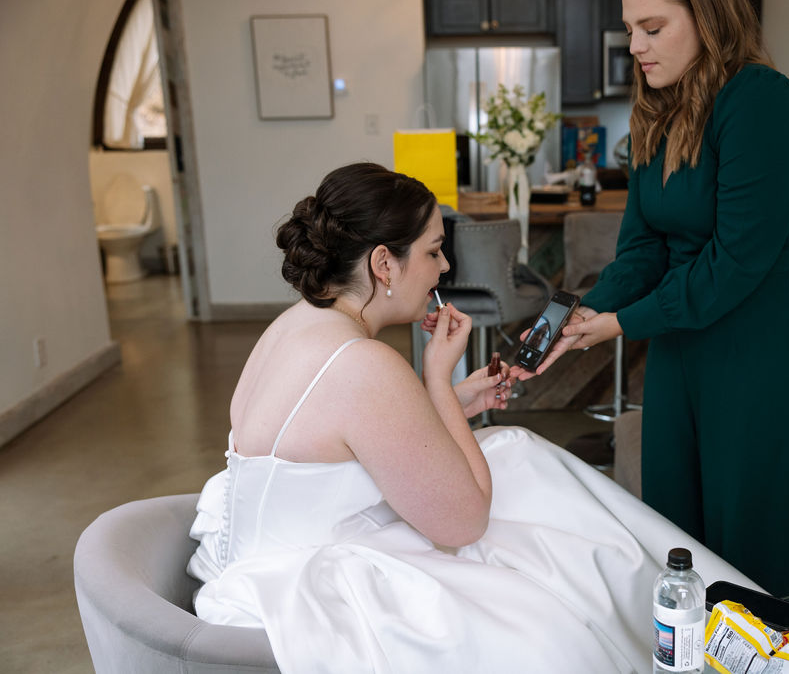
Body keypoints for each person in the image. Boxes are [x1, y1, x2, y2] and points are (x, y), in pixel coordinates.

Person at [186, 162, 756, 673]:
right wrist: (438, 379)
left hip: (256, 552)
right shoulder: (362, 363)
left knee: (515, 456)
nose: (445, 266)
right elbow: (465, 523)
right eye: (433, 251)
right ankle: (691, 621)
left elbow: (341, 439)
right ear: (384, 263)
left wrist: (454, 401)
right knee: (533, 504)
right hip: (309, 583)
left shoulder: (294, 324)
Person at [513, 0, 789, 598]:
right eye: (630, 29)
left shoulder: (761, 101)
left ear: (708, 16)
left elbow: (735, 263)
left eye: (652, 28)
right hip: (680, 349)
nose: (635, 46)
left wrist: (623, 323)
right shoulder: (657, 110)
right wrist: (583, 312)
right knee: (676, 530)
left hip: (755, 351)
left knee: (750, 540)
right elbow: (643, 250)